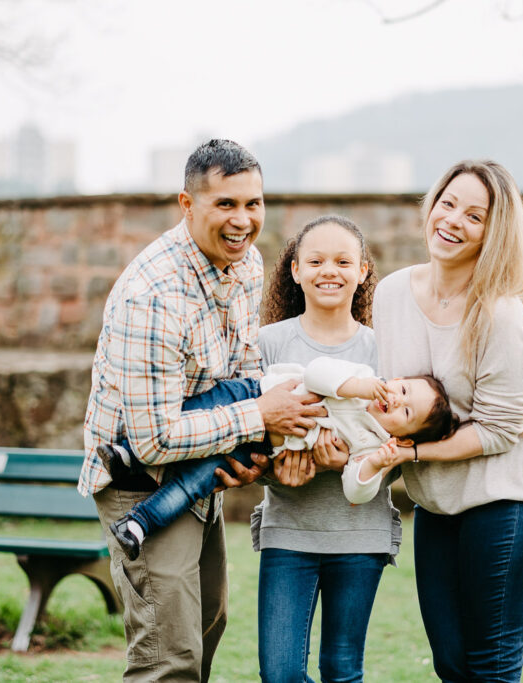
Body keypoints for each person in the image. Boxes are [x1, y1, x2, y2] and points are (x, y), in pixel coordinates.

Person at [78, 139, 324, 682]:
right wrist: (259, 417)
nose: (243, 220)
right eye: (226, 204)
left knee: (209, 624)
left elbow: (242, 371)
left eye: (253, 203)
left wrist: (246, 453)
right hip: (140, 485)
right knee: (169, 658)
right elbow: (153, 440)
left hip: (201, 468)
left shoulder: (247, 263)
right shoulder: (153, 295)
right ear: (187, 205)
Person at [366, 160, 523, 682]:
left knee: (490, 666)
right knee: (450, 664)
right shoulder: (390, 294)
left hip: (505, 502)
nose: (453, 220)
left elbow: (499, 429)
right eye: (447, 203)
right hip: (437, 503)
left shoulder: (500, 314)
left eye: (474, 216)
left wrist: (413, 453)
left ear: (493, 234)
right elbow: (381, 393)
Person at [100, 355, 457, 559]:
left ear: (400, 437)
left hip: (258, 447)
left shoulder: (370, 447)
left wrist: (376, 464)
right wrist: (357, 387)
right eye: (403, 389)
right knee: (194, 416)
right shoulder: (361, 380)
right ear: (396, 379)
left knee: (194, 483)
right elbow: (316, 372)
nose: (396, 399)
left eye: (406, 411)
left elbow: (356, 490)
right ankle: (129, 453)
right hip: (251, 397)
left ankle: (138, 524)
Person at [252, 215, 396, 683]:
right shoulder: (268, 343)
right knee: (280, 674)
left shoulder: (383, 350)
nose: (328, 271)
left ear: (363, 270)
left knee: (342, 670)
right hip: (288, 531)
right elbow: (249, 434)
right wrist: (276, 471)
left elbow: (401, 443)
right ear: (295, 270)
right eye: (315, 261)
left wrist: (354, 464)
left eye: (342, 261)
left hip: (360, 533)